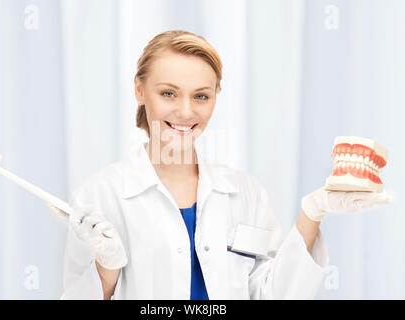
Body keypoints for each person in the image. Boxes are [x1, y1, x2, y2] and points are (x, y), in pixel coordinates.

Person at [47, 30, 393, 300]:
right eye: (168, 93)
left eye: (201, 96)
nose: (186, 112)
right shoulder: (98, 194)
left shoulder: (244, 192)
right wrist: (107, 269)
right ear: (140, 90)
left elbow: (274, 294)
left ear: (215, 96)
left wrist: (312, 212)